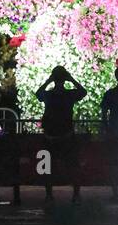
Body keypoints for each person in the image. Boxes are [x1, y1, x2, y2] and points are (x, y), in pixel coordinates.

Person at [36, 65, 86, 203]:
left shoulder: (50, 95)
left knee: (48, 168)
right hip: (63, 136)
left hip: (55, 136)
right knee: (71, 167)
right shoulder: (69, 94)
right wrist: (71, 79)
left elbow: (38, 94)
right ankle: (74, 194)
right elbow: (83, 92)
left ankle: (50, 194)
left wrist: (49, 81)